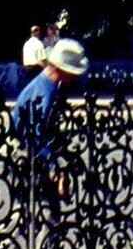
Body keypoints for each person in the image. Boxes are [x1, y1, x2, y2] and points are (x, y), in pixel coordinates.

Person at [11, 38, 89, 199]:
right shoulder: (43, 94)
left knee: (44, 210)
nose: (75, 78)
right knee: (39, 208)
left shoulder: (49, 85)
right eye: (73, 73)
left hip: (36, 149)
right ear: (61, 69)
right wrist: (54, 166)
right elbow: (34, 137)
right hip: (24, 152)